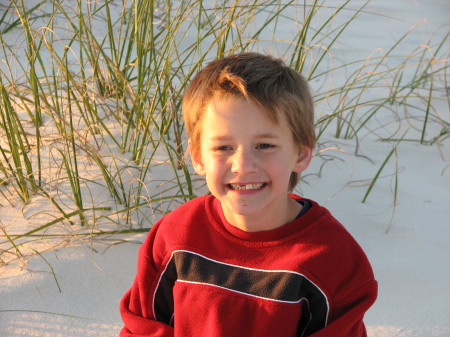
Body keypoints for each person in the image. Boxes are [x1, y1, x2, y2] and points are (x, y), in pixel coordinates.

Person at [119, 52, 377, 336]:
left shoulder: (332, 258)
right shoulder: (176, 235)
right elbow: (143, 328)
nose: (243, 166)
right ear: (198, 157)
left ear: (301, 153)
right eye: (223, 147)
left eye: (265, 145)